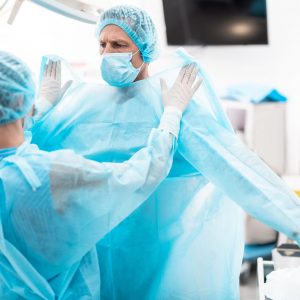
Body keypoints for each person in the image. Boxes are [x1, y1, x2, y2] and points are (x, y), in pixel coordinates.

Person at [32, 5, 300, 300]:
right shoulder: (82, 103)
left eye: (119, 45)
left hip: (152, 257)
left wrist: (295, 222)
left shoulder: (171, 104)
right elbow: (23, 157)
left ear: (145, 50)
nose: (108, 53)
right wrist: (41, 111)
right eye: (103, 44)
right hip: (93, 255)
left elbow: (238, 169)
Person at [0, 51, 201, 299]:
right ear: (20, 102)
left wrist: (40, 106)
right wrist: (172, 112)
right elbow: (146, 170)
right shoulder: (50, 173)